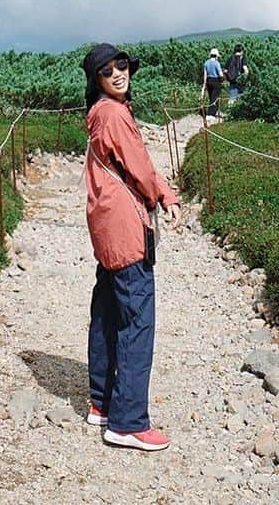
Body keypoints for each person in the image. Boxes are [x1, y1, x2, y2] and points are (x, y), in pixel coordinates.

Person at [83, 42, 181, 451]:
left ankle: (101, 402)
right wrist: (165, 195)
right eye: (108, 71)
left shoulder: (99, 113)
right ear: (98, 81)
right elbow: (139, 167)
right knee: (137, 320)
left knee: (107, 310)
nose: (119, 73)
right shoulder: (114, 114)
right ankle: (128, 420)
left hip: (106, 223)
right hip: (125, 226)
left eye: (122, 65)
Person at [202, 47, 224, 120]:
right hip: (215, 81)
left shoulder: (206, 63)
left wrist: (204, 84)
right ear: (216, 56)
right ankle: (210, 114)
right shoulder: (216, 63)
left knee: (211, 97)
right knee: (215, 98)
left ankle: (215, 111)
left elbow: (205, 75)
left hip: (208, 81)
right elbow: (220, 74)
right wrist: (222, 80)